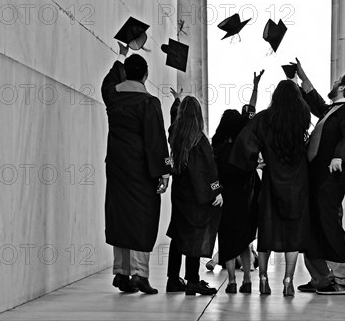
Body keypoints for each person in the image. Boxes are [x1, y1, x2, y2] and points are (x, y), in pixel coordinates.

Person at [292, 58, 345, 295]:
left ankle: (342, 280)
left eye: (337, 82)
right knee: (313, 224)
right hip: (317, 178)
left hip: (330, 177)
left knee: (328, 223)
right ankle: (322, 279)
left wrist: (340, 156)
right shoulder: (334, 110)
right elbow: (315, 103)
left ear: (343, 87)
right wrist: (302, 78)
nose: (334, 83)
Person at [230, 80, 311, 297]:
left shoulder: (264, 119)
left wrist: (254, 162)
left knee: (267, 230)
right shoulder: (303, 117)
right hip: (297, 182)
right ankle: (288, 280)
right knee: (293, 232)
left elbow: (243, 142)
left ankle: (264, 278)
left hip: (271, 180)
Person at [101, 53, 171, 294]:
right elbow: (156, 140)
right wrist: (163, 172)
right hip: (141, 172)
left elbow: (108, 82)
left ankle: (121, 273)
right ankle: (140, 275)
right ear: (145, 75)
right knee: (142, 219)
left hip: (118, 169)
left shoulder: (113, 97)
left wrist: (122, 53)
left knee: (121, 217)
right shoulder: (148, 103)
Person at [165, 93, 224, 296]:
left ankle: (173, 279)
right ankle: (192, 281)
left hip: (180, 194)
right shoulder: (199, 140)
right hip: (196, 196)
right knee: (195, 237)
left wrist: (177, 102)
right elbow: (208, 169)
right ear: (198, 115)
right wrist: (216, 190)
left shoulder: (175, 134)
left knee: (178, 235)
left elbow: (173, 121)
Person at [213, 71, 264, 294]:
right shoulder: (244, 149)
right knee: (244, 241)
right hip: (246, 200)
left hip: (225, 200)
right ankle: (247, 281)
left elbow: (212, 175)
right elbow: (250, 116)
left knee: (227, 240)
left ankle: (232, 281)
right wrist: (254, 87)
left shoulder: (217, 149)